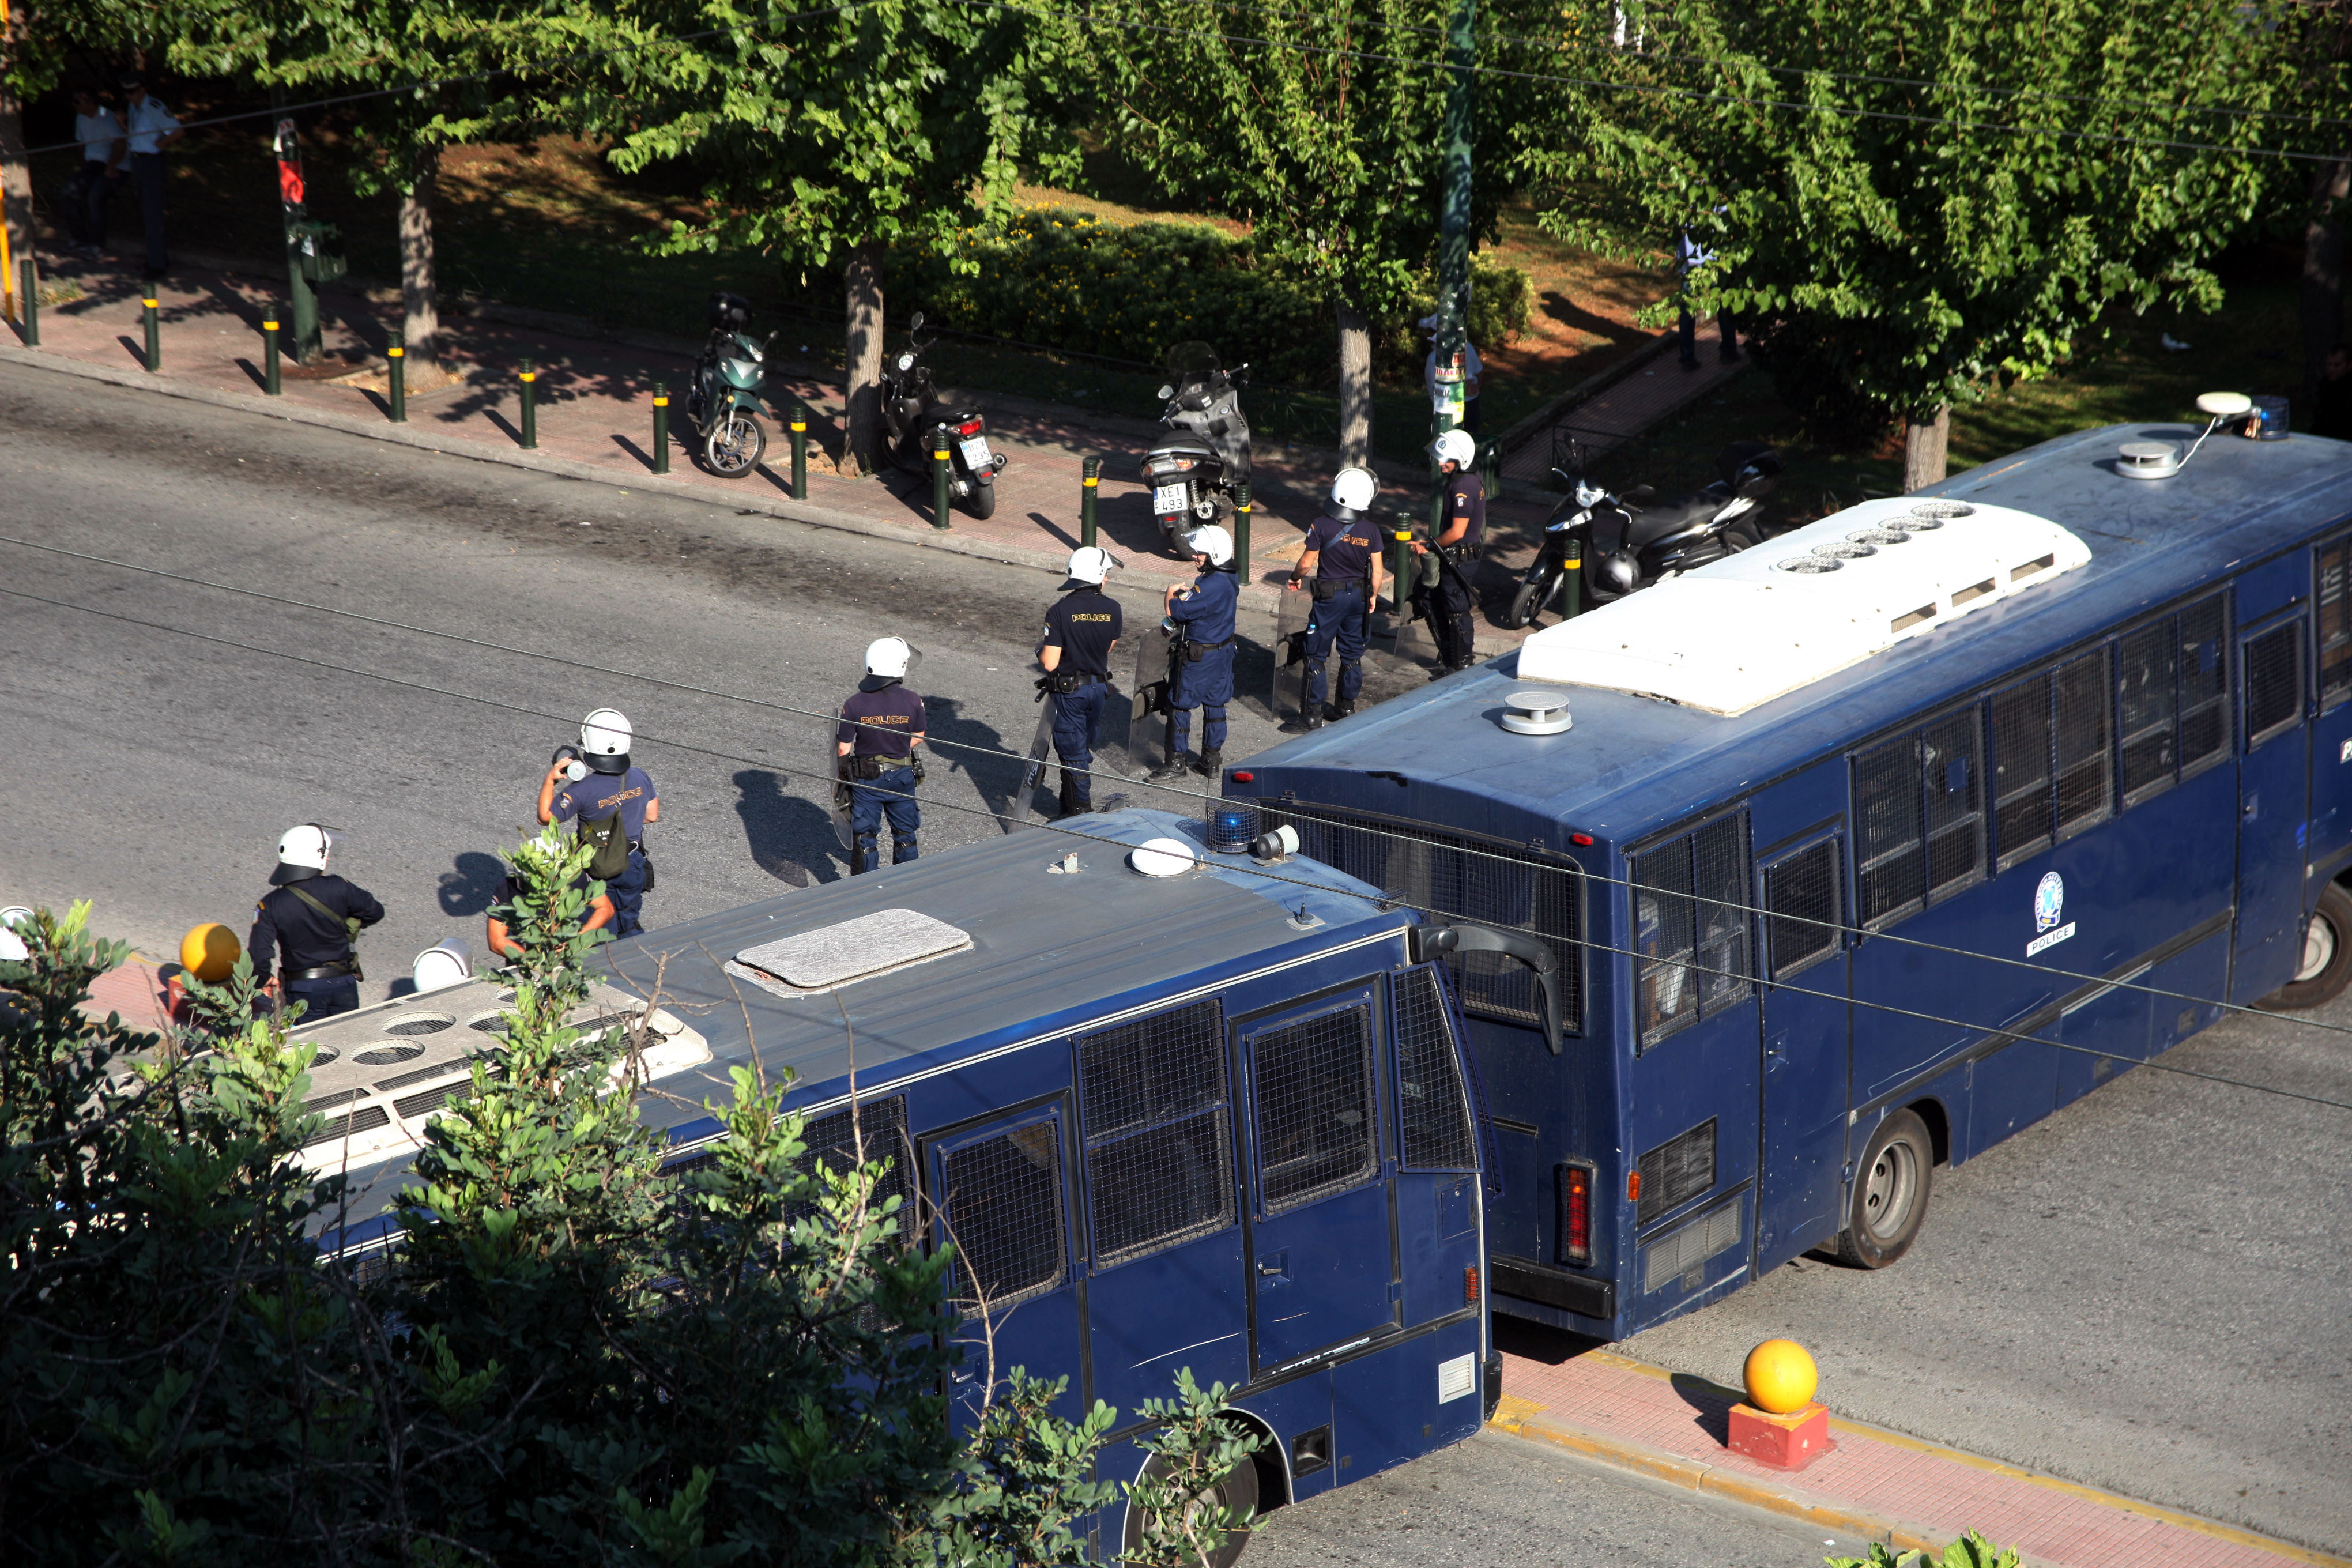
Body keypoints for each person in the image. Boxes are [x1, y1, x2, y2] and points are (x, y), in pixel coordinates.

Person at [538, 708, 658, 937]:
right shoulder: (641, 776)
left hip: (598, 867)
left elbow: (545, 817)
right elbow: (651, 815)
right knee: (629, 922)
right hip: (633, 863)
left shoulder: (582, 790)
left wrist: (550, 780)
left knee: (601, 928)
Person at [246, 824, 384, 1021]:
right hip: (344, 984)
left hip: (302, 990)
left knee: (311, 1047)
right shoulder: (339, 887)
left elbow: (258, 955)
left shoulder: (270, 905)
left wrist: (264, 979)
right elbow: (375, 912)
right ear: (316, 857)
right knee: (347, 1040)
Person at [1289, 466, 1386, 728]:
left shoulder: (1321, 524)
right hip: (1358, 597)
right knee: (1352, 652)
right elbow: (1377, 571)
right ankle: (1345, 708)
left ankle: (1311, 715)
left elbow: (1306, 564)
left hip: (1330, 598)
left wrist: (1295, 577)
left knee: (1315, 653)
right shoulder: (1372, 530)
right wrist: (1373, 596)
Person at [1147, 524, 1240, 783]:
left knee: (1180, 704)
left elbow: (1176, 611)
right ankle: (1211, 761)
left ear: (1215, 555)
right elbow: (1205, 609)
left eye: (1200, 553)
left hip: (1199, 658)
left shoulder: (1208, 586)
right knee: (1216, 704)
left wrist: (1170, 594)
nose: (1195, 557)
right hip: (1223, 654)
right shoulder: (1229, 578)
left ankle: (1176, 764)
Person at [1036, 545, 1123, 817]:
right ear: (1096, 575)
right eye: (1105, 573)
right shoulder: (1113, 608)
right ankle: (1068, 804)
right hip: (1098, 689)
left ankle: (1079, 814)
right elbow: (1107, 648)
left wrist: (1041, 649)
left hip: (1070, 692)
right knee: (1080, 747)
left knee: (1072, 753)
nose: (1107, 578)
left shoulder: (1060, 611)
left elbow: (1050, 663)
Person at [838, 636, 926, 872]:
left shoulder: (854, 704)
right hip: (902, 774)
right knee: (906, 833)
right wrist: (897, 749)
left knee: (866, 836)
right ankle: (905, 882)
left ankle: (866, 888)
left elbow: (843, 748)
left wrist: (842, 773)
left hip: (867, 779)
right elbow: (919, 735)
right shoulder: (914, 700)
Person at [1417, 428, 1486, 675]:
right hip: (1454, 555)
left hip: (1458, 557)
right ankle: (1449, 655)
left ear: (1462, 459)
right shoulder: (1464, 479)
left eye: (1446, 459)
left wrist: (1428, 544)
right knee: (1427, 596)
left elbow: (1457, 532)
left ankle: (1461, 663)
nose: (1440, 463)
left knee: (1457, 610)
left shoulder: (1464, 485)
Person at [119, 74, 183, 280]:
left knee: (152, 213)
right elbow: (135, 136)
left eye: (133, 92)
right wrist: (122, 124)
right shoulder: (133, 109)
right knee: (147, 213)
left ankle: (158, 265)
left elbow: (178, 131)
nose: (130, 97)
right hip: (138, 161)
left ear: (142, 90)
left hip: (152, 163)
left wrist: (161, 145)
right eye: (127, 93)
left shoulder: (154, 107)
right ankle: (157, 257)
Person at [484, 867, 615, 963]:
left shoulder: (575, 877)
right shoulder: (508, 887)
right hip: (525, 962)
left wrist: (577, 940)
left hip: (571, 961)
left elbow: (605, 907)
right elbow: (496, 940)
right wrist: (534, 962)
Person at [66, 88, 125, 258]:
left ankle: (97, 246)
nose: (75, 105)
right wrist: (82, 168)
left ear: (90, 102)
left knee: (95, 197)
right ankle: (79, 240)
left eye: (78, 101)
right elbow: (82, 145)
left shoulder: (108, 118)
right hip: (92, 165)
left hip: (112, 165)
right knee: (68, 194)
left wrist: (111, 168)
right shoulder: (80, 118)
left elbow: (120, 145)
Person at [1677, 229, 1741, 370]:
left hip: (1689, 261)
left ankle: (1687, 357)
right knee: (1723, 302)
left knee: (1688, 308)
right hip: (1715, 260)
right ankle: (1729, 351)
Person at [1420, 314, 1484, 435]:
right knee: (1470, 439)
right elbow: (1480, 372)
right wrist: (1471, 389)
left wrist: (1466, 391)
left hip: (1449, 410)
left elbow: (1436, 390)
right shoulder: (1467, 347)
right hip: (1471, 404)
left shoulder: (1434, 359)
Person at [2312, 344, 2352, 442]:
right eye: (2329, 364)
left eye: (2337, 365)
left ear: (2349, 365)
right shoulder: (2325, 384)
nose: (2331, 369)